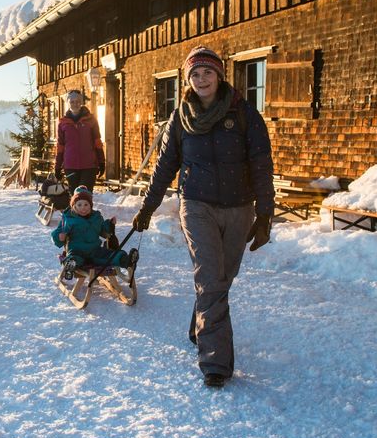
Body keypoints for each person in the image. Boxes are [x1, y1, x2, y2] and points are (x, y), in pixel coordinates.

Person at [131, 46, 274, 389]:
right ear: (187, 80)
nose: (201, 79)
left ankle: (201, 324)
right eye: (194, 74)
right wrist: (147, 208)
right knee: (210, 279)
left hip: (240, 207)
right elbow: (165, 168)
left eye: (207, 72)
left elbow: (261, 165)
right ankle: (216, 363)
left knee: (222, 278)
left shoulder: (244, 115)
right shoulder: (180, 119)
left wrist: (265, 214)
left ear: (219, 75)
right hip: (196, 206)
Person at [53, 186, 139, 276]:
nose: (83, 208)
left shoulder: (96, 217)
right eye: (79, 205)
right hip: (76, 250)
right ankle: (71, 265)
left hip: (94, 250)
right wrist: (59, 236)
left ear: (91, 205)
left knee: (109, 255)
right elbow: (58, 232)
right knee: (74, 258)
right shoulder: (68, 218)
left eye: (86, 204)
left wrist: (109, 224)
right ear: (74, 206)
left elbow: (102, 231)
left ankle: (126, 260)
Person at [54, 90, 105, 195]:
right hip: (70, 165)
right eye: (72, 101)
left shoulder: (91, 120)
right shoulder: (63, 123)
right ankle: (74, 212)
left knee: (85, 195)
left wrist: (101, 162)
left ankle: (86, 211)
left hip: (89, 165)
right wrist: (57, 166)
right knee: (74, 196)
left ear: (81, 102)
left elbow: (97, 142)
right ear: (68, 103)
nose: (75, 104)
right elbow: (60, 146)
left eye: (77, 101)